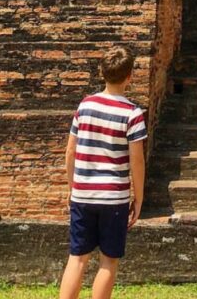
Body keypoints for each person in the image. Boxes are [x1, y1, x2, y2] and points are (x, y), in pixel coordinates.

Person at [58, 45, 147, 299]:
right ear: (130, 76)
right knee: (108, 262)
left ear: (101, 72)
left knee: (77, 259)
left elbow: (70, 151)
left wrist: (71, 187)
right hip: (113, 199)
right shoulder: (132, 113)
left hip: (83, 193)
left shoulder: (85, 106)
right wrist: (138, 197)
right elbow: (137, 161)